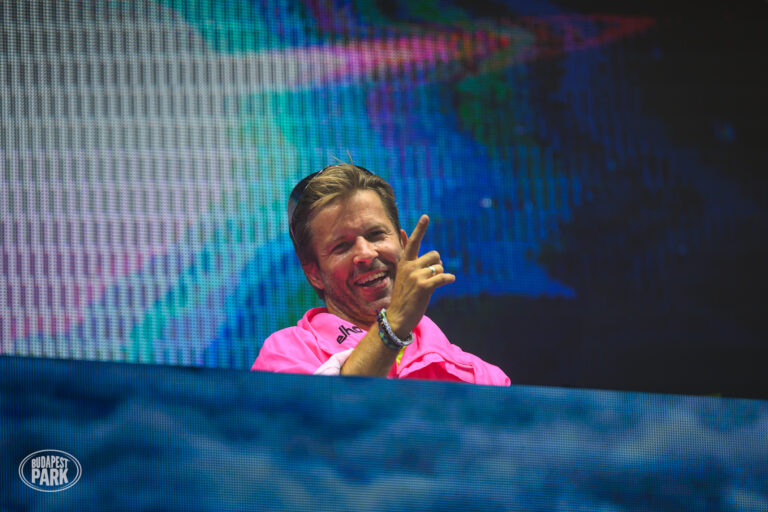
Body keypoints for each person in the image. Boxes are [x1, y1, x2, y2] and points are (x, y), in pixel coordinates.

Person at [252, 163, 510, 385]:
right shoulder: (283, 356)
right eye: (341, 246)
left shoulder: (483, 378)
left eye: (376, 235)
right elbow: (328, 420)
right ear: (314, 274)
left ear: (403, 245)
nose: (366, 253)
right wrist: (393, 324)